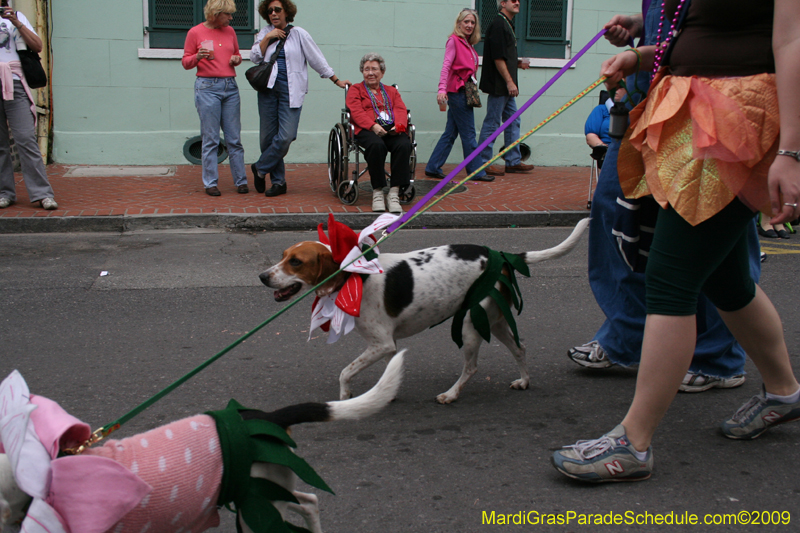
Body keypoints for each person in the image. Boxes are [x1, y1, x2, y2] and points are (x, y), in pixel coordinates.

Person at [553, 0, 800, 482]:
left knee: (670, 278)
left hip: (737, 120)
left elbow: (790, 41)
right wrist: (641, 56)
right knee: (724, 279)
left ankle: (634, 441)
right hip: (700, 114)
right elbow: (705, 31)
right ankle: (784, 392)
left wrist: (792, 151)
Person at [568, 3, 762, 394]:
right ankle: (631, 337)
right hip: (652, 102)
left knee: (717, 249)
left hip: (712, 110)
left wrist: (791, 152)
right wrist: (639, 31)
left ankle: (715, 359)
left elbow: (763, 37)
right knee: (615, 212)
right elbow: (679, 23)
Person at [249, 0, 348, 197]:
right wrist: (268, 37)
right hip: (268, 90)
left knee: (286, 136)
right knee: (267, 139)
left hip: (291, 91)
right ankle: (278, 182)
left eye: (278, 10)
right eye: (270, 11)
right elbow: (254, 57)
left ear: (286, 12)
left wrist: (335, 80)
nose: (274, 14)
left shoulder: (299, 34)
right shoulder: (265, 33)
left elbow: (316, 59)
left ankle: (260, 168)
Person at [182, 0, 248, 197]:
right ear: (216, 13)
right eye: (227, 14)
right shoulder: (195, 32)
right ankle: (210, 182)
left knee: (234, 138)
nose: (230, 18)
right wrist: (198, 57)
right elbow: (186, 62)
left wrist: (237, 59)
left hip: (230, 86)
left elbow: (236, 54)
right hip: (207, 87)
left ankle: (241, 181)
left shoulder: (230, 31)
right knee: (210, 137)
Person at [424, 9, 493, 183]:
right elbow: (446, 66)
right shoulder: (454, 41)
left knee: (450, 132)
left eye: (472, 22)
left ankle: (433, 167)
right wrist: (441, 89)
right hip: (458, 92)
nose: (469, 25)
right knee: (469, 133)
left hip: (464, 90)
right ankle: (476, 171)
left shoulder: (468, 44)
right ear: (459, 23)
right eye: (466, 22)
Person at [0, 8, 57, 210]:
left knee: (26, 139)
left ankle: (43, 194)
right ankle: (4, 192)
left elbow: (38, 46)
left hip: (14, 82)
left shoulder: (17, 16)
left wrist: (16, 22)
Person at [346, 54, 412, 214]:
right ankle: (377, 191)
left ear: (382, 73)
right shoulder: (356, 89)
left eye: (374, 69)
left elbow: (401, 109)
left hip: (391, 128)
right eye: (366, 69)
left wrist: (399, 126)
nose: (370, 73)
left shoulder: (391, 91)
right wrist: (373, 126)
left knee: (404, 144)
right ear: (362, 71)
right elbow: (356, 112)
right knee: (376, 145)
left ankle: (394, 192)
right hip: (366, 129)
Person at [477, 0, 534, 177]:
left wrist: (517, 63)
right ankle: (483, 163)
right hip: (499, 85)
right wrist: (510, 82)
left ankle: (513, 161)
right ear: (502, 4)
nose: (517, 3)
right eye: (513, 0)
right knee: (492, 123)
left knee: (513, 120)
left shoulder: (506, 24)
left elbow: (503, 56)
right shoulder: (499, 24)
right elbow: (498, 58)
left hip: (505, 86)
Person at [584, 88, 626, 153]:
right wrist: (605, 150)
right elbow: (591, 136)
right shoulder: (600, 109)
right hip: (607, 151)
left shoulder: (636, 110)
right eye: (615, 87)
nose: (616, 90)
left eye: (620, 87)